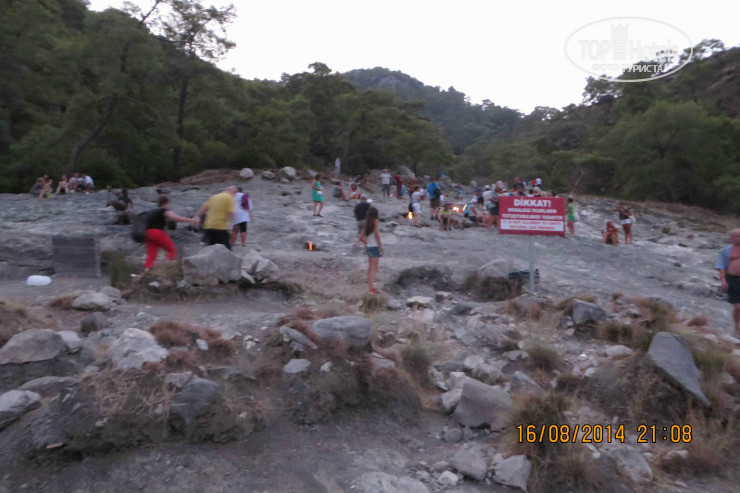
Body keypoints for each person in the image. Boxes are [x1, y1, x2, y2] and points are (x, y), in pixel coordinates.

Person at [144, 195, 198, 271]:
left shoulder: (153, 212)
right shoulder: (164, 211)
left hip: (147, 234)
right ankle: (168, 269)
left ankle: (147, 270)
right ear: (166, 203)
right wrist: (191, 220)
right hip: (157, 232)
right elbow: (176, 218)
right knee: (171, 249)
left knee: (152, 254)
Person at [716, 229, 740, 335]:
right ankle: (736, 327)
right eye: (738, 236)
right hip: (732, 279)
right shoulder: (725, 251)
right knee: (738, 307)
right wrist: (723, 280)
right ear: (732, 237)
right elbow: (721, 267)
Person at [355, 206, 383, 294]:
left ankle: (370, 288)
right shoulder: (376, 221)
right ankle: (372, 289)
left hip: (369, 247)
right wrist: (381, 246)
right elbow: (377, 234)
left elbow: (360, 237)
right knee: (374, 268)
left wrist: (366, 243)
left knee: (370, 268)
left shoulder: (367, 223)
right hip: (375, 247)